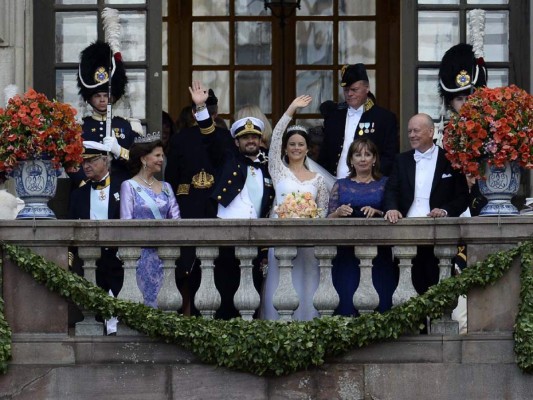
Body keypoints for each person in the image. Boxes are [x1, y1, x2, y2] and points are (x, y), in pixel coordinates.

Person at [164, 81, 234, 315]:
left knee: (213, 265)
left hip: (203, 205)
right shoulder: (183, 138)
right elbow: (171, 178)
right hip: (195, 206)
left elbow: (172, 179)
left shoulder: (222, 138)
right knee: (188, 267)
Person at [383, 113, 469, 296]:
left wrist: (445, 211)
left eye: (416, 130)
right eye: (409, 131)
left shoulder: (451, 160)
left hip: (438, 231)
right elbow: (391, 190)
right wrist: (392, 208)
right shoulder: (401, 160)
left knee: (438, 289)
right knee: (409, 290)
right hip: (407, 231)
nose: (412, 135)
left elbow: (462, 197)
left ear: (431, 132)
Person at [261, 95, 329, 321]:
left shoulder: (318, 179)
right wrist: (290, 110)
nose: (296, 148)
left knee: (308, 287)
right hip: (281, 241)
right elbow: (276, 137)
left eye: (301, 144)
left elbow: (323, 212)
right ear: (285, 148)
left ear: (308, 149)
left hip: (308, 245)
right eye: (292, 144)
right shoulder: (278, 170)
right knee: (279, 287)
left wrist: (308, 217)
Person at [210, 116, 275, 319]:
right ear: (236, 142)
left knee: (251, 295)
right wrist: (202, 110)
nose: (250, 141)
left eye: (254, 137)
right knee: (225, 292)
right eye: (245, 137)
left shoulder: (268, 167)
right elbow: (210, 139)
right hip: (226, 235)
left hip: (256, 238)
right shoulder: (227, 159)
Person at [327, 138, 398, 315]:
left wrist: (377, 212)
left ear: (375, 159)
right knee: (346, 296)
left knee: (380, 297)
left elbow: (393, 212)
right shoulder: (340, 185)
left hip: (378, 251)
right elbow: (327, 219)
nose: (363, 159)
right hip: (346, 252)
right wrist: (338, 212)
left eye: (368, 154)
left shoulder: (385, 183)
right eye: (358, 155)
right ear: (351, 160)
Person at [68, 141, 123, 335]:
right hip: (91, 259)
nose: (86, 166)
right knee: (94, 308)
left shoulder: (122, 187)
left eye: (91, 160)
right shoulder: (78, 194)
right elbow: (71, 230)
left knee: (121, 307)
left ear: (105, 161)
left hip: (119, 258)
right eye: (84, 162)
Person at [120, 135, 181, 308]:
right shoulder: (129, 186)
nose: (161, 159)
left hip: (164, 257)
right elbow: (126, 223)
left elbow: (177, 221)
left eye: (162, 156)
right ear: (143, 158)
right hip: (140, 257)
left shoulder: (166, 187)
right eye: (157, 155)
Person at [73, 40, 142, 188]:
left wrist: (119, 151)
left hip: (120, 188)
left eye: (106, 95)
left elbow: (140, 161)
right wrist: (83, 182)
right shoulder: (80, 127)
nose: (103, 100)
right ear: (89, 98)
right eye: (98, 96)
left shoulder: (127, 126)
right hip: (88, 188)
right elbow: (71, 162)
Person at [318, 63, 399, 178]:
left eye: (354, 89)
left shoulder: (384, 118)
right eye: (346, 90)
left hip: (370, 186)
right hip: (334, 185)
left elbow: (389, 157)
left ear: (367, 88)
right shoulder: (334, 117)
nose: (349, 94)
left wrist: (372, 181)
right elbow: (324, 155)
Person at [437, 43, 488, 216]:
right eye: (459, 98)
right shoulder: (442, 134)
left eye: (469, 97)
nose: (465, 104)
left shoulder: (492, 130)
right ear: (450, 102)